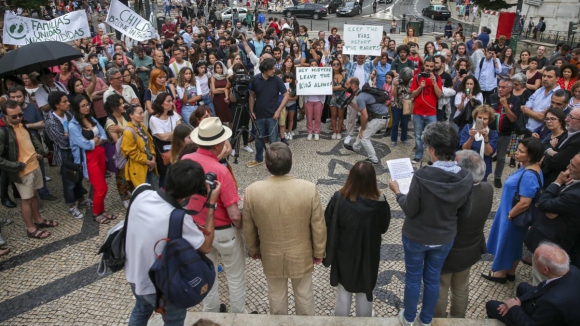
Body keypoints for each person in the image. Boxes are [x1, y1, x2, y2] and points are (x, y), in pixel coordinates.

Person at [389, 122, 473, 326]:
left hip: (417, 237)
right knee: (433, 278)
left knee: (413, 278)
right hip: (444, 237)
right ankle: (425, 320)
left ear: (433, 150)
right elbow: (465, 212)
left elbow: (410, 209)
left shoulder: (422, 176)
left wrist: (398, 192)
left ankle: (408, 318)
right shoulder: (466, 177)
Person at [125, 159, 221, 326]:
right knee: (174, 322)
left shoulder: (140, 193)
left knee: (141, 309)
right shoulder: (177, 218)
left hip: (134, 275)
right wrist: (211, 204)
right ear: (189, 195)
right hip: (160, 286)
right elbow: (205, 247)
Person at [242, 142, 326, 315]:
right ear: (291, 164)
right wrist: (318, 252)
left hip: (270, 254)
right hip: (301, 254)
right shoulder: (309, 189)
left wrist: (254, 250)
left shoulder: (252, 191)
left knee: (276, 296)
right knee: (304, 295)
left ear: (266, 166)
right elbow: (318, 226)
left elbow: (248, 228)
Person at [184, 117, 246, 314]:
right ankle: (238, 316)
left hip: (197, 230)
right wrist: (244, 226)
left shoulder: (185, 160)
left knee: (207, 274)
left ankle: (210, 311)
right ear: (218, 144)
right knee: (235, 276)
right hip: (224, 231)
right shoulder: (221, 171)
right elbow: (234, 214)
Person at [326, 161, 390, 317]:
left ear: (351, 177)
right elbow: (383, 227)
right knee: (365, 290)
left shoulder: (339, 198)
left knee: (343, 292)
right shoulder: (381, 203)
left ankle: (341, 321)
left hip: (344, 253)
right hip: (369, 253)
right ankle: (365, 320)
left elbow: (327, 220)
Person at [434, 150, 493, 318]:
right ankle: (458, 320)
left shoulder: (454, 196)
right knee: (461, 288)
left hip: (448, 252)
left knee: (441, 288)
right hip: (470, 249)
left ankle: (438, 320)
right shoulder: (488, 189)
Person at [483, 137, 544, 284]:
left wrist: (510, 215)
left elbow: (525, 202)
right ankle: (510, 271)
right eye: (518, 149)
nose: (516, 153)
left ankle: (500, 274)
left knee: (506, 242)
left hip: (514, 215)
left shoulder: (529, 175)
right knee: (514, 244)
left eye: (521, 152)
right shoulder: (530, 168)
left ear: (531, 156)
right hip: (512, 214)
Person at [0, 100, 57, 239]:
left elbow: (31, 140)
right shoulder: (2, 132)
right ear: (5, 116)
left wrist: (40, 152)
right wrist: (17, 166)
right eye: (14, 116)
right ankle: (30, 228)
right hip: (22, 171)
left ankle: (38, 220)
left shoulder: (22, 124)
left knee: (34, 195)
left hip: (34, 166)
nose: (19, 118)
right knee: (26, 200)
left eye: (20, 114)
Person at [486, 242, 580, 325]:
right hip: (558, 301)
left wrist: (514, 307)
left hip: (547, 317)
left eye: (535, 258)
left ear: (545, 269)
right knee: (522, 287)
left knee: (491, 305)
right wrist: (519, 300)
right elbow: (540, 289)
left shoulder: (551, 303)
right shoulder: (574, 270)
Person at [528, 153, 580, 272]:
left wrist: (557, 182)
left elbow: (543, 203)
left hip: (555, 243)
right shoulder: (574, 181)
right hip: (551, 237)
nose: (568, 167)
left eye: (573, 166)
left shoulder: (575, 195)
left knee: (542, 278)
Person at [44, 92, 92, 219]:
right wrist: (77, 137)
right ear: (56, 105)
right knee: (69, 181)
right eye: (64, 101)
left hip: (76, 150)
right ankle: (72, 206)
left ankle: (81, 199)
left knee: (78, 177)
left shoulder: (68, 114)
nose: (68, 103)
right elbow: (62, 142)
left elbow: (78, 129)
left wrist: (74, 135)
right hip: (65, 154)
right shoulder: (51, 122)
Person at [7, 86, 58, 203]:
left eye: (18, 96)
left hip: (34, 145)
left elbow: (41, 123)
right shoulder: (6, 112)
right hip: (18, 150)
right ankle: (25, 197)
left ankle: (44, 193)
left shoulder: (31, 107)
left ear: (24, 96)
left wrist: (27, 126)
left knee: (39, 170)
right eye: (12, 97)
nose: (16, 99)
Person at [68, 95, 112, 224]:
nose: (87, 107)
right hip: (89, 158)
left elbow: (103, 134)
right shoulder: (73, 125)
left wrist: (93, 141)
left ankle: (102, 210)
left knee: (102, 185)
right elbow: (84, 144)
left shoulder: (91, 118)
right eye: (83, 106)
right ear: (77, 108)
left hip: (100, 154)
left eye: (87, 104)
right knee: (101, 187)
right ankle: (96, 213)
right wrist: (95, 141)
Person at [247, 58, 288, 168]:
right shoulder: (256, 79)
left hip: (272, 116)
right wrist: (251, 111)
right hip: (259, 114)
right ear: (265, 70)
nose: (274, 71)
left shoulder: (277, 80)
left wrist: (278, 111)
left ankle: (274, 162)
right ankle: (259, 158)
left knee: (273, 141)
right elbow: (252, 95)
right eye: (272, 69)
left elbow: (286, 95)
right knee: (258, 139)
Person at [342, 77, 390, 165]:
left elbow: (364, 116)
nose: (345, 86)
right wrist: (350, 103)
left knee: (364, 136)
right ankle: (356, 147)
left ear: (352, 86)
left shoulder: (360, 97)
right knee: (361, 129)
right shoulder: (362, 94)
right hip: (380, 116)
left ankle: (373, 159)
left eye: (347, 84)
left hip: (379, 118)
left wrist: (363, 129)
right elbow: (361, 110)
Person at [489, 78, 522, 188]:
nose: (500, 89)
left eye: (503, 87)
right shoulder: (492, 97)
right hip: (491, 132)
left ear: (511, 88)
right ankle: (484, 174)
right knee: (486, 153)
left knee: (501, 157)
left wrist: (505, 105)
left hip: (505, 133)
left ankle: (497, 177)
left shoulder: (516, 100)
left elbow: (513, 119)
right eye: (499, 86)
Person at [410, 57, 442, 164]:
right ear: (424, 65)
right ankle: (418, 155)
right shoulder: (417, 77)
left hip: (431, 112)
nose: (429, 68)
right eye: (427, 66)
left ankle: (433, 158)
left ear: (434, 67)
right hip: (418, 112)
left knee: (432, 136)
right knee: (418, 135)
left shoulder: (437, 78)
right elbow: (412, 94)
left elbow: (439, 95)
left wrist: (434, 84)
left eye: (431, 66)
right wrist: (420, 87)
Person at [149, 93, 182, 189]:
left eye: (172, 101)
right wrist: (176, 131)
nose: (172, 103)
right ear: (161, 104)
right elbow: (164, 137)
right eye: (168, 101)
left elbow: (180, 129)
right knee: (166, 174)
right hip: (163, 150)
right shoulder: (154, 119)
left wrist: (172, 133)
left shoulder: (173, 114)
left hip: (176, 147)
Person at [541, 107, 580, 186]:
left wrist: (548, 155)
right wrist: (550, 150)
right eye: (568, 115)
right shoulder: (568, 132)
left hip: (557, 181)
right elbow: (546, 144)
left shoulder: (577, 141)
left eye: (571, 117)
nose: (566, 119)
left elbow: (556, 162)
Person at [120, 104, 157, 188]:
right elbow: (132, 153)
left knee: (151, 188)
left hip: (149, 163)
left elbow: (150, 142)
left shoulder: (142, 126)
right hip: (139, 167)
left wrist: (153, 157)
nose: (143, 115)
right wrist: (149, 162)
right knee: (144, 191)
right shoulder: (128, 132)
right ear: (131, 115)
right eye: (140, 113)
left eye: (142, 113)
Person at [459, 105, 499, 181]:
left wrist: (486, 139)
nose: (482, 121)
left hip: (482, 168)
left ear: (489, 120)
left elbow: (488, 153)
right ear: (475, 118)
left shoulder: (492, 133)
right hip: (466, 166)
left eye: (485, 119)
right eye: (479, 118)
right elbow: (464, 149)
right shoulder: (468, 128)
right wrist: (471, 137)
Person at [523, 66, 561, 135]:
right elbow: (525, 109)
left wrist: (530, 112)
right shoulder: (539, 90)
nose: (545, 79)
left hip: (541, 133)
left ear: (557, 79)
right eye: (544, 76)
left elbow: (543, 117)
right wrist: (536, 114)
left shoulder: (559, 95)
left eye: (549, 77)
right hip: (528, 128)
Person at [390, 68, 413, 147]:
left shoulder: (411, 81)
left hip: (406, 105)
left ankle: (404, 138)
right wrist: (396, 86)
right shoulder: (396, 80)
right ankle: (393, 139)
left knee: (405, 123)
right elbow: (394, 94)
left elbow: (412, 92)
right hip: (396, 104)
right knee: (395, 123)